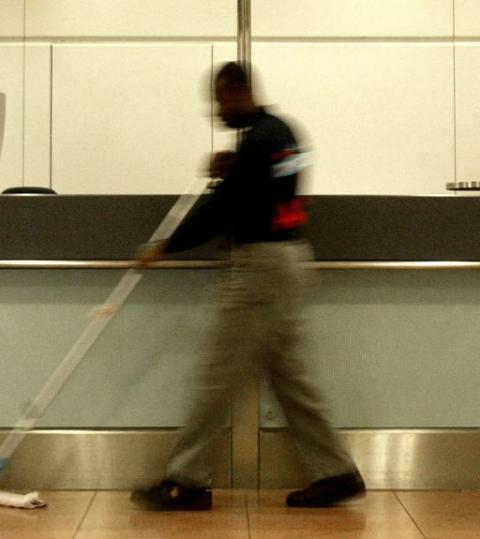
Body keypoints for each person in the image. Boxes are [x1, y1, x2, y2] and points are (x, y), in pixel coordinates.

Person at [131, 62, 365, 510]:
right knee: (292, 380)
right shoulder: (284, 133)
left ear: (239, 93)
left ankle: (185, 481)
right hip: (289, 262)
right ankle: (336, 472)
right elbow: (289, 183)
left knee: (217, 377)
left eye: (220, 101)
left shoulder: (259, 140)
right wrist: (237, 169)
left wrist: (164, 247)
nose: (217, 112)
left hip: (260, 268)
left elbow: (223, 208)